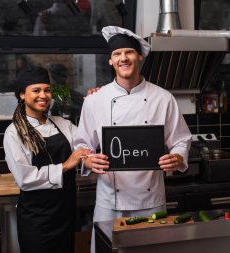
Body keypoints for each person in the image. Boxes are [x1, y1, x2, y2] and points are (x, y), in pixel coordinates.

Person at [73, 26, 192, 252]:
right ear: (110, 61)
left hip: (151, 200)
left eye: (128, 52)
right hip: (109, 200)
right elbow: (82, 145)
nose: (123, 58)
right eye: (117, 54)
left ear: (139, 56)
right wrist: (87, 161)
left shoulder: (163, 98)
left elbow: (181, 140)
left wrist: (177, 157)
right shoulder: (95, 100)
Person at [3, 66, 91, 253]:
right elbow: (25, 179)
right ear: (22, 95)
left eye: (47, 90)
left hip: (64, 214)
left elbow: (85, 147)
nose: (43, 95)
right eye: (36, 90)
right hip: (37, 221)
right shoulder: (14, 133)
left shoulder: (61, 124)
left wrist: (94, 102)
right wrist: (66, 165)